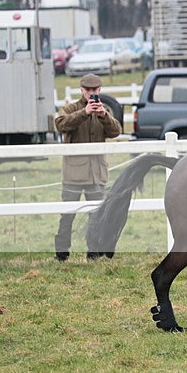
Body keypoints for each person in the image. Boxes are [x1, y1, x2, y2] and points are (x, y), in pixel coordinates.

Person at [54, 74, 122, 261]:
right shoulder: (70, 108)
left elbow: (116, 131)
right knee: (67, 215)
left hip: (96, 173)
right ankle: (61, 253)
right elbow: (61, 124)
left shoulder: (103, 110)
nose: (91, 94)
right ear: (82, 90)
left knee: (97, 215)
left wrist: (103, 116)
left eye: (95, 90)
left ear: (99, 90)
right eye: (88, 90)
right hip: (74, 173)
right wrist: (84, 113)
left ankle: (94, 251)